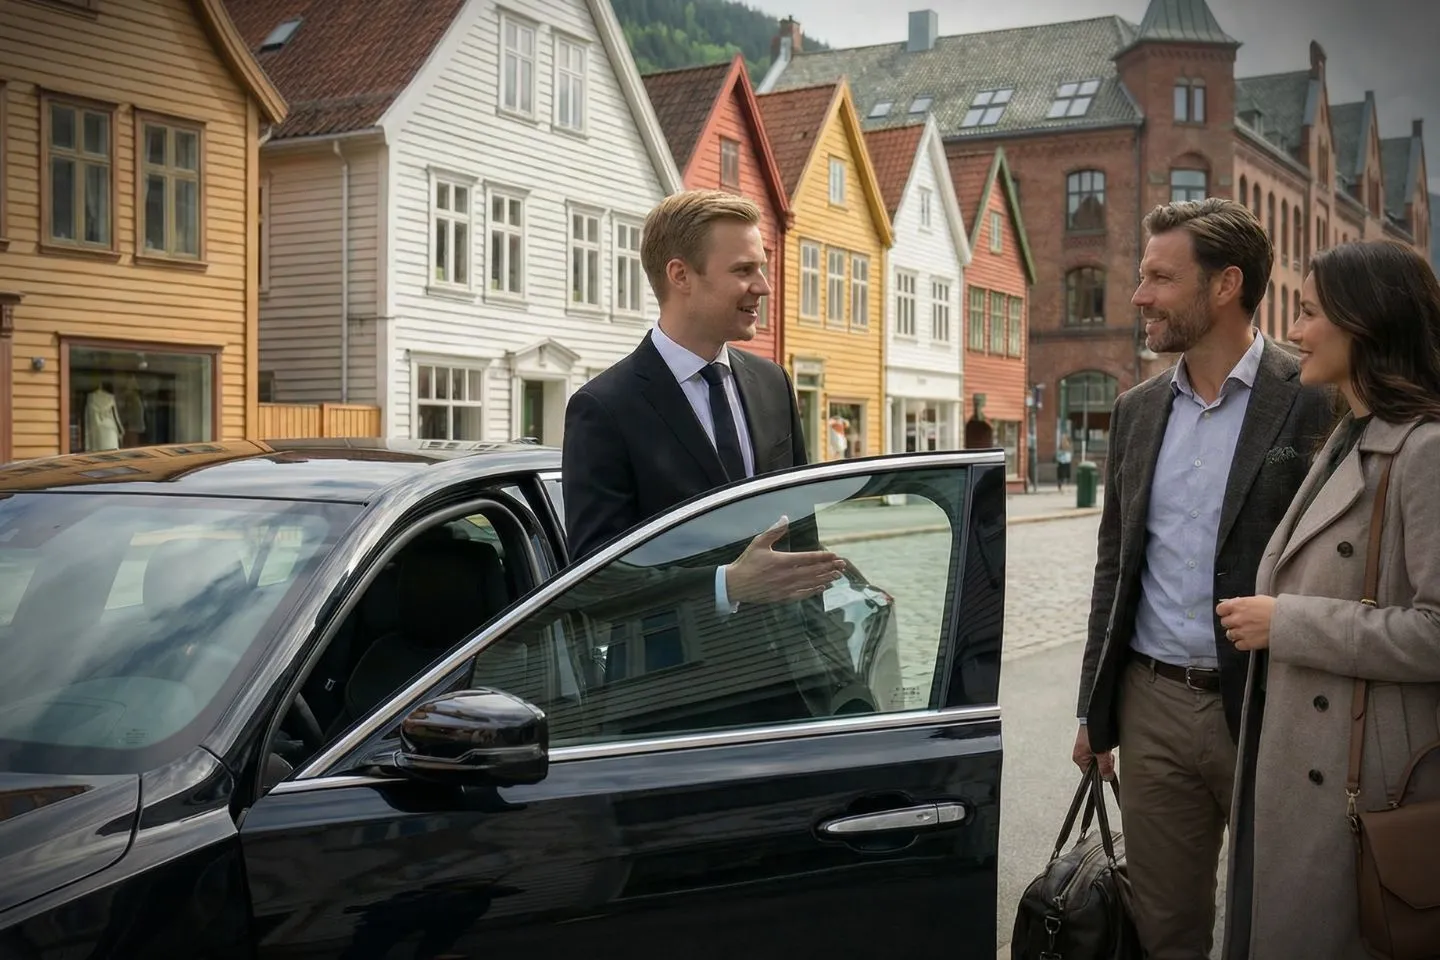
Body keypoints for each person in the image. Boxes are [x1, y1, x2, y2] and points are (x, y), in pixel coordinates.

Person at [1071, 197, 1331, 960]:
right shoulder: (1137, 410)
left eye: (1159, 277)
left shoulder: (1316, 399)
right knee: (1165, 931)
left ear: (1225, 286)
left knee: (1277, 923)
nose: (1139, 296)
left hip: (1274, 706)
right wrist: (1096, 710)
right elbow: (1114, 567)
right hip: (1151, 706)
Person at [1218, 241, 1440, 959]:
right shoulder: (1351, 434)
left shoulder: (1424, 451)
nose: (1295, 330)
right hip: (1310, 766)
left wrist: (1290, 623)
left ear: (1366, 322)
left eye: (1310, 312)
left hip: (1363, 785)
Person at [561, 189, 846, 604]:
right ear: (680, 276)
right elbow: (595, 578)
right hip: (674, 667)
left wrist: (823, 651)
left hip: (787, 661)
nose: (763, 287)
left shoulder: (773, 384)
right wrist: (724, 586)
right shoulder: (604, 408)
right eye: (744, 269)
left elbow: (802, 539)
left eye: (761, 268)